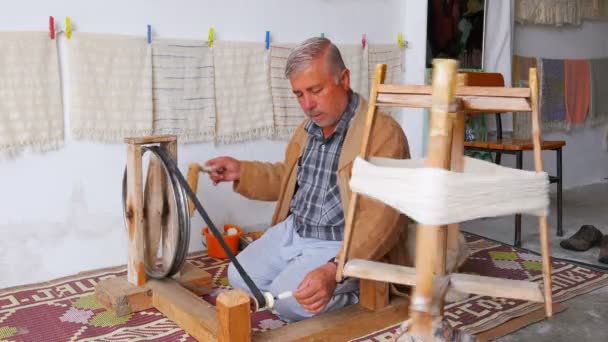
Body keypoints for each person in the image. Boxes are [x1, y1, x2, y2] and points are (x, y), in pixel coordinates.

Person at [205, 37, 410, 322]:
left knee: (287, 303)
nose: (308, 104)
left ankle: (359, 288)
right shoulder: (308, 128)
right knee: (239, 277)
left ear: (344, 79)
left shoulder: (383, 133)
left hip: (340, 242)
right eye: (299, 94)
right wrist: (242, 170)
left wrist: (333, 269)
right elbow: (288, 177)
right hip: (295, 230)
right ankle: (300, 274)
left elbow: (383, 218)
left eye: (315, 90)